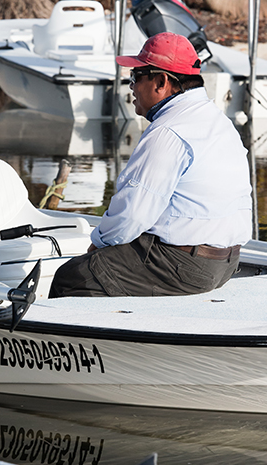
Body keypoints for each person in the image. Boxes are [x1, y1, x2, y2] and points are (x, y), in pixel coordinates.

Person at [49, 32, 252, 298]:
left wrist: (97, 245)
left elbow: (131, 214)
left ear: (161, 81)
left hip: (187, 266)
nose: (131, 86)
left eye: (135, 77)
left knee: (74, 275)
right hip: (226, 262)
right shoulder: (218, 121)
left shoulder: (168, 132)